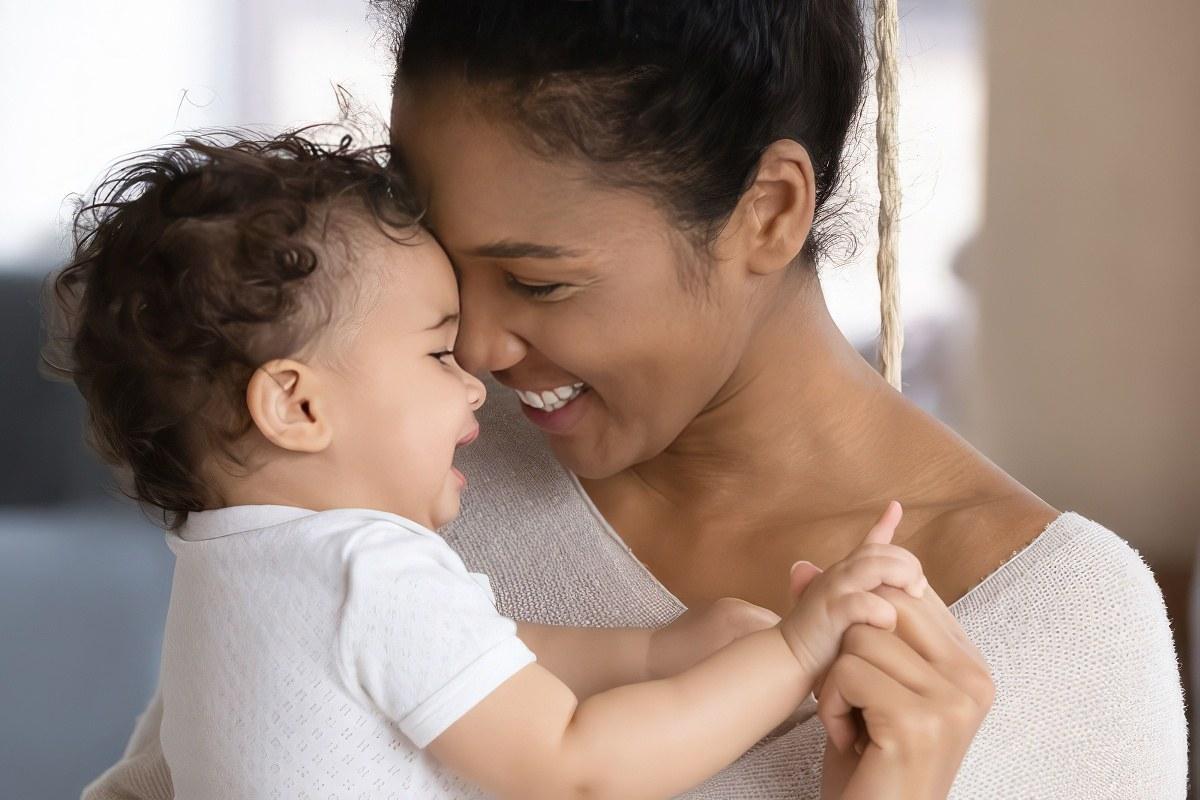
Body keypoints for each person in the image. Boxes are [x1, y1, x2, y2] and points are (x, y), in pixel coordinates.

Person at [83, 1, 1188, 798]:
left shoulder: (1061, 630)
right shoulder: (385, 475)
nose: (473, 345)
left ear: (769, 210)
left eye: (539, 278)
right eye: (446, 267)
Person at [52, 133, 932, 799]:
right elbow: (577, 764)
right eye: (438, 354)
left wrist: (659, 650)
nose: (476, 378)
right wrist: (793, 648)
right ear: (299, 405)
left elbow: (488, 657)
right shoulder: (366, 567)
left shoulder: (230, 570)